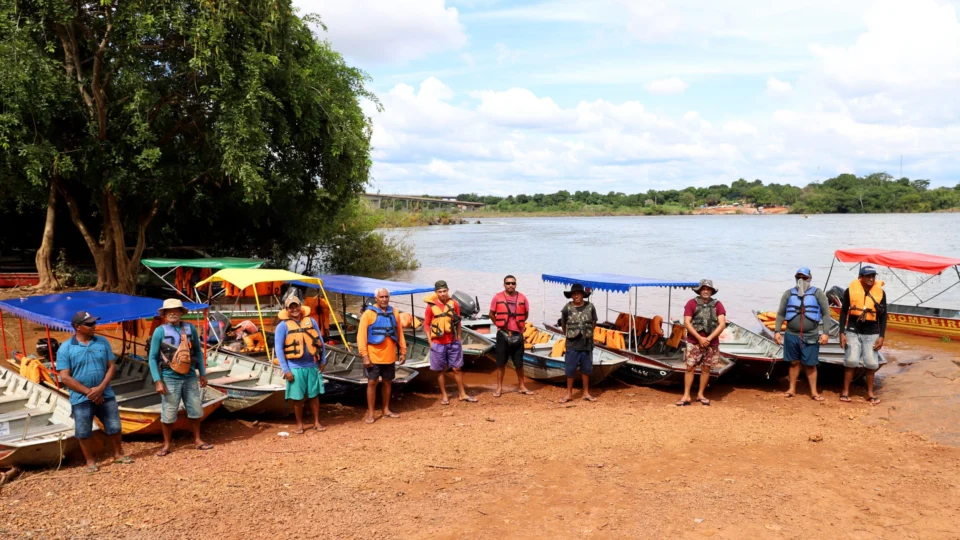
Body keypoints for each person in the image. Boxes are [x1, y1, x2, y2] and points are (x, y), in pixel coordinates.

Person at [57, 311, 131, 473]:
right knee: (83, 430)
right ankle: (89, 461)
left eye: (94, 323)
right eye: (89, 324)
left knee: (114, 426)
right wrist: (89, 392)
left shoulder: (102, 342)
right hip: (81, 397)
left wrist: (101, 388)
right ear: (77, 327)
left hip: (105, 392)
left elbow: (111, 366)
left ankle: (118, 454)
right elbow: (65, 377)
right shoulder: (66, 348)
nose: (94, 326)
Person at [148, 299, 213, 456]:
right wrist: (158, 381)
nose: (172, 313)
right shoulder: (160, 331)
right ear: (164, 314)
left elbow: (197, 351)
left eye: (175, 310)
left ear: (180, 312)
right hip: (170, 377)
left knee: (195, 408)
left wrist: (202, 373)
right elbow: (152, 357)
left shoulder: (189, 328)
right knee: (169, 411)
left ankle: (197, 440)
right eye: (169, 311)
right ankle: (167, 444)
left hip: (190, 376)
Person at [773, 267, 834, 401]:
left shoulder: (818, 293)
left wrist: (825, 333)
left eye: (804, 278)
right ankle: (791, 389)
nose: (801, 280)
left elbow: (826, 314)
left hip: (811, 334)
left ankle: (814, 392)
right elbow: (781, 313)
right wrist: (777, 331)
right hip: (791, 333)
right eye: (798, 277)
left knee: (810, 364)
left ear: (810, 279)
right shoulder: (788, 294)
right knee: (794, 362)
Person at [274, 295, 326, 433]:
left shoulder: (311, 321)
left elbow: (320, 341)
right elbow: (278, 349)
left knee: (314, 395)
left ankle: (316, 422)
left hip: (312, 365)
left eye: (296, 306)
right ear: (286, 309)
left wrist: (323, 360)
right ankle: (299, 424)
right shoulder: (282, 326)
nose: (294, 309)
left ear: (300, 306)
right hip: (295, 367)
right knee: (297, 398)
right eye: (291, 307)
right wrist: (286, 370)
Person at [838, 265, 887, 405]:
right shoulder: (850, 291)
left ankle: (870, 393)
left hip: (872, 332)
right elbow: (843, 312)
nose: (871, 278)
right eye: (868, 276)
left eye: (873, 276)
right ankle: (845, 391)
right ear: (861, 278)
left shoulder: (881, 293)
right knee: (851, 360)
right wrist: (842, 332)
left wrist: (881, 336)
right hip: (853, 330)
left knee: (871, 363)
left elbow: (884, 317)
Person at [357, 288, 407, 424]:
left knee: (387, 382)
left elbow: (400, 332)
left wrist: (403, 351)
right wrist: (364, 355)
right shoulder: (368, 314)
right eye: (381, 297)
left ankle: (386, 409)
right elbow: (361, 337)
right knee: (372, 383)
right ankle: (371, 413)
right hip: (373, 356)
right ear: (376, 298)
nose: (384, 299)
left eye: (386, 297)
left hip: (390, 355)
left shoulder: (394, 312)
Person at [424, 280, 477, 405]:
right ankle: (444, 395)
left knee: (457, 368)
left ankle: (462, 394)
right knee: (440, 370)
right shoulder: (431, 307)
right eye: (440, 292)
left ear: (448, 291)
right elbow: (426, 325)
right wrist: (430, 342)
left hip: (453, 341)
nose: (442, 294)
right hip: (437, 342)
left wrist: (458, 337)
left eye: (444, 291)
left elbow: (458, 321)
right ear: (436, 292)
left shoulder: (454, 304)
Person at [678, 280, 727, 406]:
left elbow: (722, 324)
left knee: (706, 368)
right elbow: (687, 322)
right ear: (700, 290)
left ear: (711, 291)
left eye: (708, 289)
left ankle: (700, 394)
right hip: (694, 341)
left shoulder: (718, 304)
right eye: (703, 289)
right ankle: (686, 395)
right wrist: (699, 338)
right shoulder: (691, 303)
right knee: (690, 368)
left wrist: (709, 339)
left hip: (712, 342)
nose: (706, 291)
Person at [488, 275, 534, 397]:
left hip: (517, 334)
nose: (510, 285)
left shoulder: (522, 298)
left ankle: (522, 386)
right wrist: (499, 325)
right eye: (508, 283)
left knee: (519, 363)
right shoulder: (497, 297)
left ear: (516, 284)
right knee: (500, 363)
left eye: (513, 283)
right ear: (504, 284)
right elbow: (491, 314)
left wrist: (519, 325)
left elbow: (526, 314)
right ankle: (499, 388)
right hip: (502, 334)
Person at [560, 283, 598, 403]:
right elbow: (563, 325)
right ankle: (569, 394)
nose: (576, 296)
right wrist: (571, 334)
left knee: (586, 369)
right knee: (570, 369)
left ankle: (586, 393)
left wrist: (588, 334)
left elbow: (594, 323)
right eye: (574, 294)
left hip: (586, 344)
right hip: (572, 344)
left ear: (583, 295)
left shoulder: (590, 307)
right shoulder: (567, 308)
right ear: (571, 295)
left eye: (578, 293)